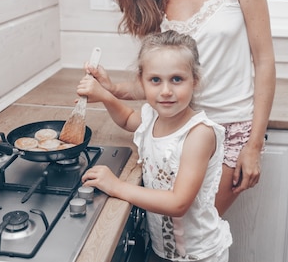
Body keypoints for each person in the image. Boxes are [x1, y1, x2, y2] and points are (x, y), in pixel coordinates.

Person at [85, 0, 276, 216]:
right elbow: (170, 78)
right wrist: (116, 89)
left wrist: (254, 145)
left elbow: (264, 61)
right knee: (170, 236)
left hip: (230, 130)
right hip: (175, 129)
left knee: (193, 227)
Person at [80, 30, 232, 262]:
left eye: (177, 79)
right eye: (155, 80)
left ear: (195, 81)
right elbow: (128, 119)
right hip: (163, 248)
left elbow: (178, 203)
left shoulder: (198, 134)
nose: (166, 91)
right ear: (142, 81)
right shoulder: (153, 115)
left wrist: (116, 186)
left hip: (198, 255)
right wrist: (105, 96)